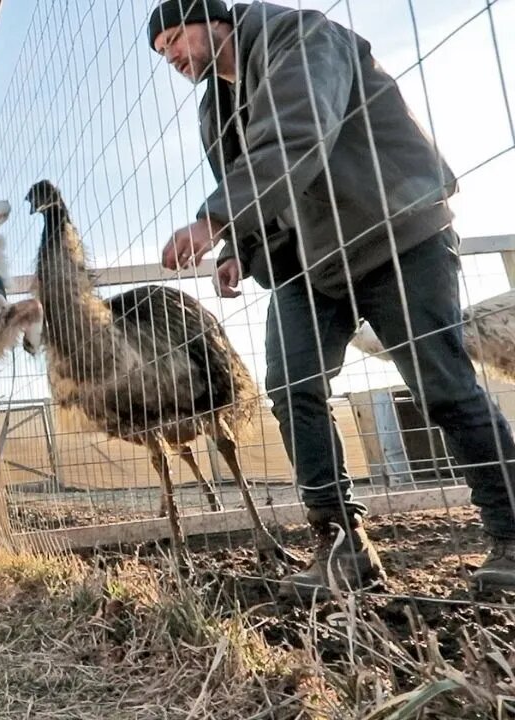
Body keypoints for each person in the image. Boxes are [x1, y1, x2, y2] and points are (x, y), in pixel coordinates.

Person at [148, 0, 515, 598]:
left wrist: (216, 217)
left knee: (442, 385)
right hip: (310, 261)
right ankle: (342, 547)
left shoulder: (301, 35)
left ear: (214, 17)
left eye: (174, 39)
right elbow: (259, 178)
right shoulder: (217, 106)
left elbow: (298, 129)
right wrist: (242, 245)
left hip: (393, 230)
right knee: (292, 387)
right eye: (162, 53)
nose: (172, 59)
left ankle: (511, 533)